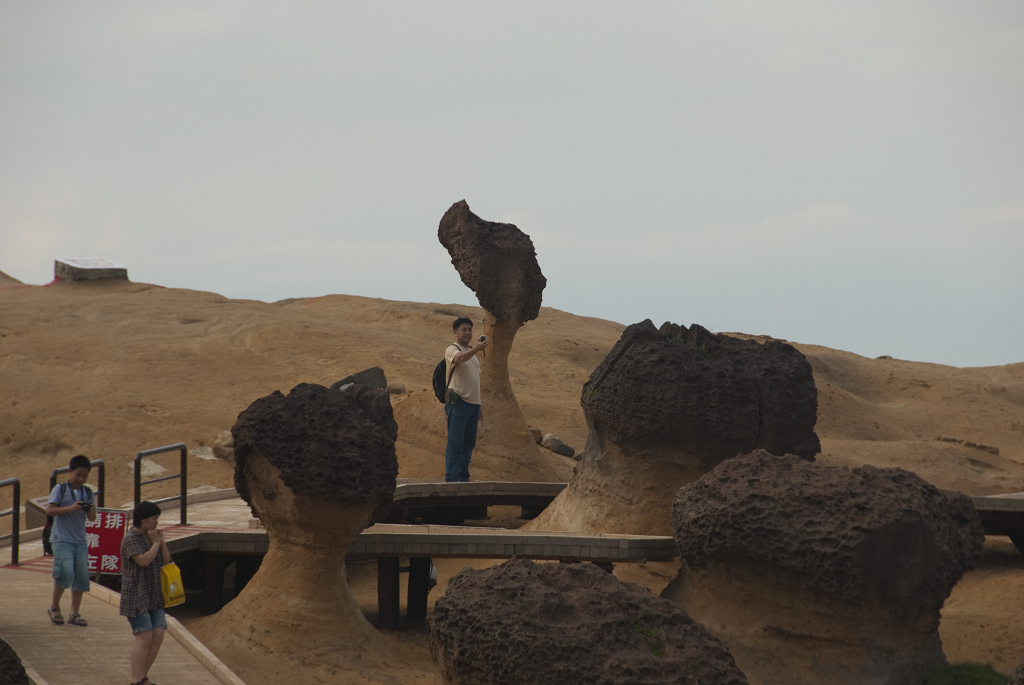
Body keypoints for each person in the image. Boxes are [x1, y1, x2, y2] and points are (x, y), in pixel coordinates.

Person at [120, 500, 171, 685]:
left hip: (154, 595)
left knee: (158, 635)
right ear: (143, 519)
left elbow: (166, 561)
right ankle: (136, 680)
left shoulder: (152, 538)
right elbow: (143, 561)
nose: (156, 523)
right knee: (144, 637)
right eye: (154, 519)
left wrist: (161, 543)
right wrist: (155, 544)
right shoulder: (130, 538)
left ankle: (142, 676)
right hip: (136, 595)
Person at [45, 454, 97, 627]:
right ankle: (54, 607)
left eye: (84, 476)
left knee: (81, 576)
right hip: (61, 539)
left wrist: (89, 508)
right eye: (78, 475)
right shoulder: (60, 489)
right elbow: (50, 511)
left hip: (80, 540)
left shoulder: (87, 492)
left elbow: (92, 518)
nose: (80, 479)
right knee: (65, 571)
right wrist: (71, 508)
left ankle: (74, 613)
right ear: (70, 471)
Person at [444, 316, 488, 482]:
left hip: (473, 405)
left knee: (468, 443)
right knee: (455, 442)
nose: (467, 333)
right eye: (464, 329)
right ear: (455, 332)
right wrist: (476, 348)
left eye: (469, 329)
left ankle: (463, 477)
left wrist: (479, 405)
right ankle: (451, 477)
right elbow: (460, 358)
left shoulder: (472, 352)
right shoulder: (452, 349)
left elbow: (474, 380)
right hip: (459, 402)